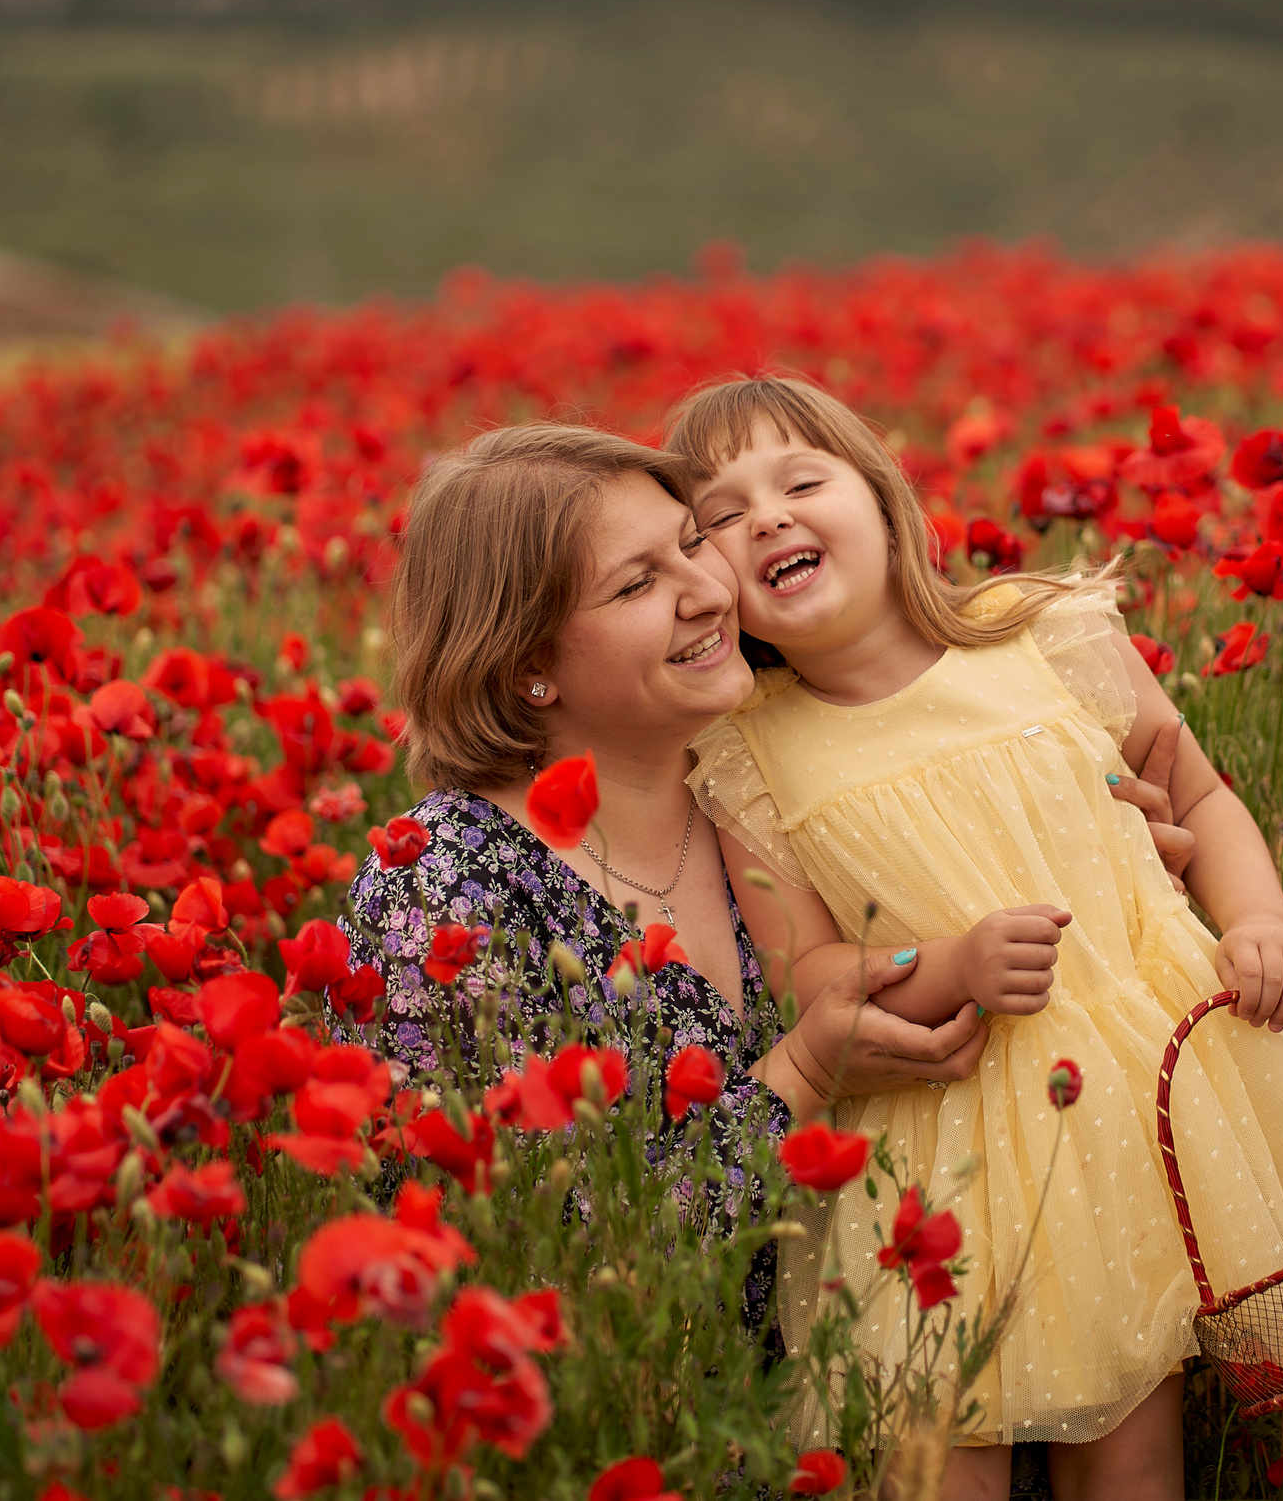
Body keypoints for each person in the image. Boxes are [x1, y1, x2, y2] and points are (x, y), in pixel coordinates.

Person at [665, 378, 1283, 1501]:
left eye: (799, 482)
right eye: (723, 517)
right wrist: (949, 968)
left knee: (1128, 1441)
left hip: (1136, 1098)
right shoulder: (752, 755)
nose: (768, 519)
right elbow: (811, 974)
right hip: (936, 1142)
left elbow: (1200, 794)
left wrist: (1260, 923)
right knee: (934, 1450)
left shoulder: (1039, 636)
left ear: (884, 504)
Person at [342, 422, 1199, 1342]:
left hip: (991, 1339)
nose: (710, 590)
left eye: (690, 543)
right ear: (527, 668)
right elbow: (536, 1262)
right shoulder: (441, 892)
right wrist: (800, 1076)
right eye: (639, 583)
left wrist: (1097, 843)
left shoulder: (783, 786)